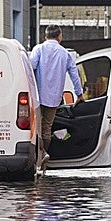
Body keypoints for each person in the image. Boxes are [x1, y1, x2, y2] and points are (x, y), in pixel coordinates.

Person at [30, 24, 84, 166]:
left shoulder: (39, 49)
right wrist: (79, 94)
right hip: (53, 98)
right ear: (59, 36)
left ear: (45, 36)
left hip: (36, 96)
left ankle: (36, 156)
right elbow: (74, 75)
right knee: (47, 127)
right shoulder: (65, 54)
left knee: (35, 127)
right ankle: (43, 155)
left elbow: (30, 68)